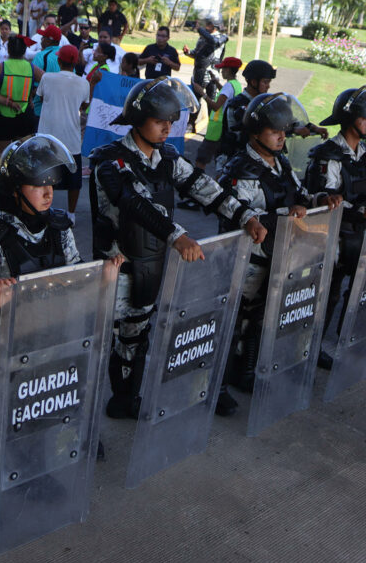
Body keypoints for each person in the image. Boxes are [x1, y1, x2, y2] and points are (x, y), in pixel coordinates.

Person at [89, 77, 266, 419]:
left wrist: (245, 216)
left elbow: (203, 187)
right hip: (117, 269)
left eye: (171, 121)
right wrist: (177, 236)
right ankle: (98, 414)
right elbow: (134, 202)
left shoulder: (167, 158)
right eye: (159, 121)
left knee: (139, 336)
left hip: (152, 263)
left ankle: (127, 399)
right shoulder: (110, 162)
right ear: (137, 119)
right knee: (109, 340)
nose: (167, 128)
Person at [0, 134, 106, 527]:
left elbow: (74, 272)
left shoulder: (59, 226)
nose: (48, 192)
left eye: (51, 184)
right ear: (13, 188)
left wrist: (99, 277)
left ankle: (32, 475)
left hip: (46, 338)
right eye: (38, 184)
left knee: (39, 409)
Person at [219, 94, 342, 403]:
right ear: (254, 131)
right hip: (247, 258)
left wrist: (320, 200)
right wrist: (285, 214)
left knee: (260, 317)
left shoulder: (281, 162)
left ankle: (246, 371)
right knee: (234, 319)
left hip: (278, 253)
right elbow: (238, 214)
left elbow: (299, 194)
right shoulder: (240, 169)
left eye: (284, 131)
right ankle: (218, 387)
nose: (281, 137)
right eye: (274, 131)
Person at [304, 86, 366, 369]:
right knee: (325, 294)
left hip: (357, 234)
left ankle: (346, 341)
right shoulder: (328, 155)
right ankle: (308, 350)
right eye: (365, 118)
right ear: (349, 118)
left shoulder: (364, 152)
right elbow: (325, 200)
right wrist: (360, 210)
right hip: (330, 237)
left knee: (355, 289)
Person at [218, 59, 326, 162]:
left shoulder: (267, 102)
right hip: (238, 159)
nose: (268, 86)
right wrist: (294, 130)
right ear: (254, 82)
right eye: (265, 82)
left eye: (269, 82)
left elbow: (285, 119)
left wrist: (311, 127)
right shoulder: (237, 105)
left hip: (264, 158)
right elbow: (254, 129)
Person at [36, 45, 91, 214]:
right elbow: (84, 105)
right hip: (71, 139)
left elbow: (41, 97)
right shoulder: (84, 83)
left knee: (44, 178)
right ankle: (71, 214)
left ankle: (44, 210)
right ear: (75, 63)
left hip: (46, 138)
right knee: (74, 182)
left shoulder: (47, 78)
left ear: (59, 61)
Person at [0, 34, 44, 152]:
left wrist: (7, 102)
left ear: (8, 50)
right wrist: (32, 95)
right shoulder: (31, 68)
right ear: (24, 51)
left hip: (2, 117)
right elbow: (46, 81)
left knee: (1, 155)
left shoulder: (1, 67)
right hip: (24, 115)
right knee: (22, 154)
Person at [195, 56, 242, 176]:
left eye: (223, 69)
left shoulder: (229, 86)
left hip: (216, 129)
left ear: (229, 70)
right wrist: (216, 82)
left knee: (201, 158)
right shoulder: (235, 84)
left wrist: (202, 93)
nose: (221, 71)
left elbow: (216, 106)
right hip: (225, 128)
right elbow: (226, 93)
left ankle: (196, 179)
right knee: (221, 161)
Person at [182, 17, 227, 132]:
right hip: (199, 72)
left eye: (208, 24)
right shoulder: (203, 37)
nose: (205, 26)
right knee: (195, 98)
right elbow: (196, 53)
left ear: (214, 26)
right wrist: (188, 52)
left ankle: (212, 128)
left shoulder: (221, 37)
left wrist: (199, 29)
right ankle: (191, 123)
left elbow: (213, 41)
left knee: (211, 100)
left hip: (213, 73)